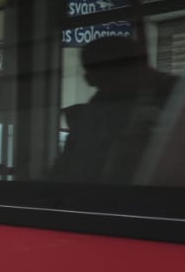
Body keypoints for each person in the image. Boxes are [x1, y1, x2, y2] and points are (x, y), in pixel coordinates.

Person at [56, 35, 175, 184]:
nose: (92, 83)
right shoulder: (96, 110)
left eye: (102, 78)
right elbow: (66, 166)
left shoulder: (176, 97)